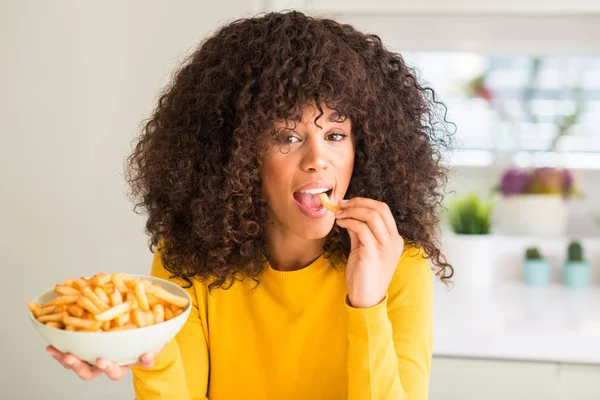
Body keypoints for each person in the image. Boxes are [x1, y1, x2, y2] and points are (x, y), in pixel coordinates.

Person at [47, 10, 453, 400]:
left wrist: (366, 304)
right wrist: (144, 350)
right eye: (288, 137)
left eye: (334, 135)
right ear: (238, 154)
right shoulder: (189, 257)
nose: (317, 159)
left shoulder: (397, 266)